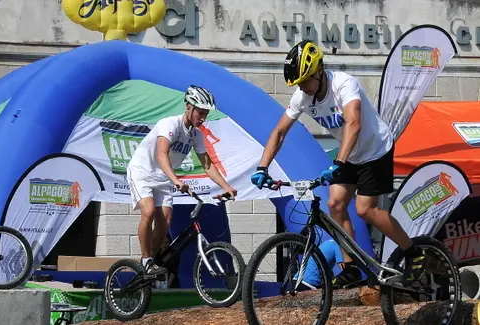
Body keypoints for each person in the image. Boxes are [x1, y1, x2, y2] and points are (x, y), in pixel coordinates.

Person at [251, 40, 427, 288]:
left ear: (319, 72)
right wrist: (262, 167)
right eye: (298, 84)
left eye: (305, 81)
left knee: (365, 209)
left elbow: (354, 124)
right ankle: (351, 266)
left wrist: (339, 162)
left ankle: (413, 251)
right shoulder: (302, 96)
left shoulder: (344, 84)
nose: (302, 88)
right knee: (335, 204)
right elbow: (279, 132)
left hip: (375, 150)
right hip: (349, 154)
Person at [127, 85, 237, 276]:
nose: (202, 118)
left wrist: (227, 187)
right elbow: (161, 155)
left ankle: (151, 261)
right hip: (142, 172)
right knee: (149, 210)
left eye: (205, 114)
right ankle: (145, 260)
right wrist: (177, 180)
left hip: (163, 177)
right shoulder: (169, 124)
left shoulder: (196, 135)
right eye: (200, 113)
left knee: (167, 219)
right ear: (188, 107)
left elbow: (207, 165)